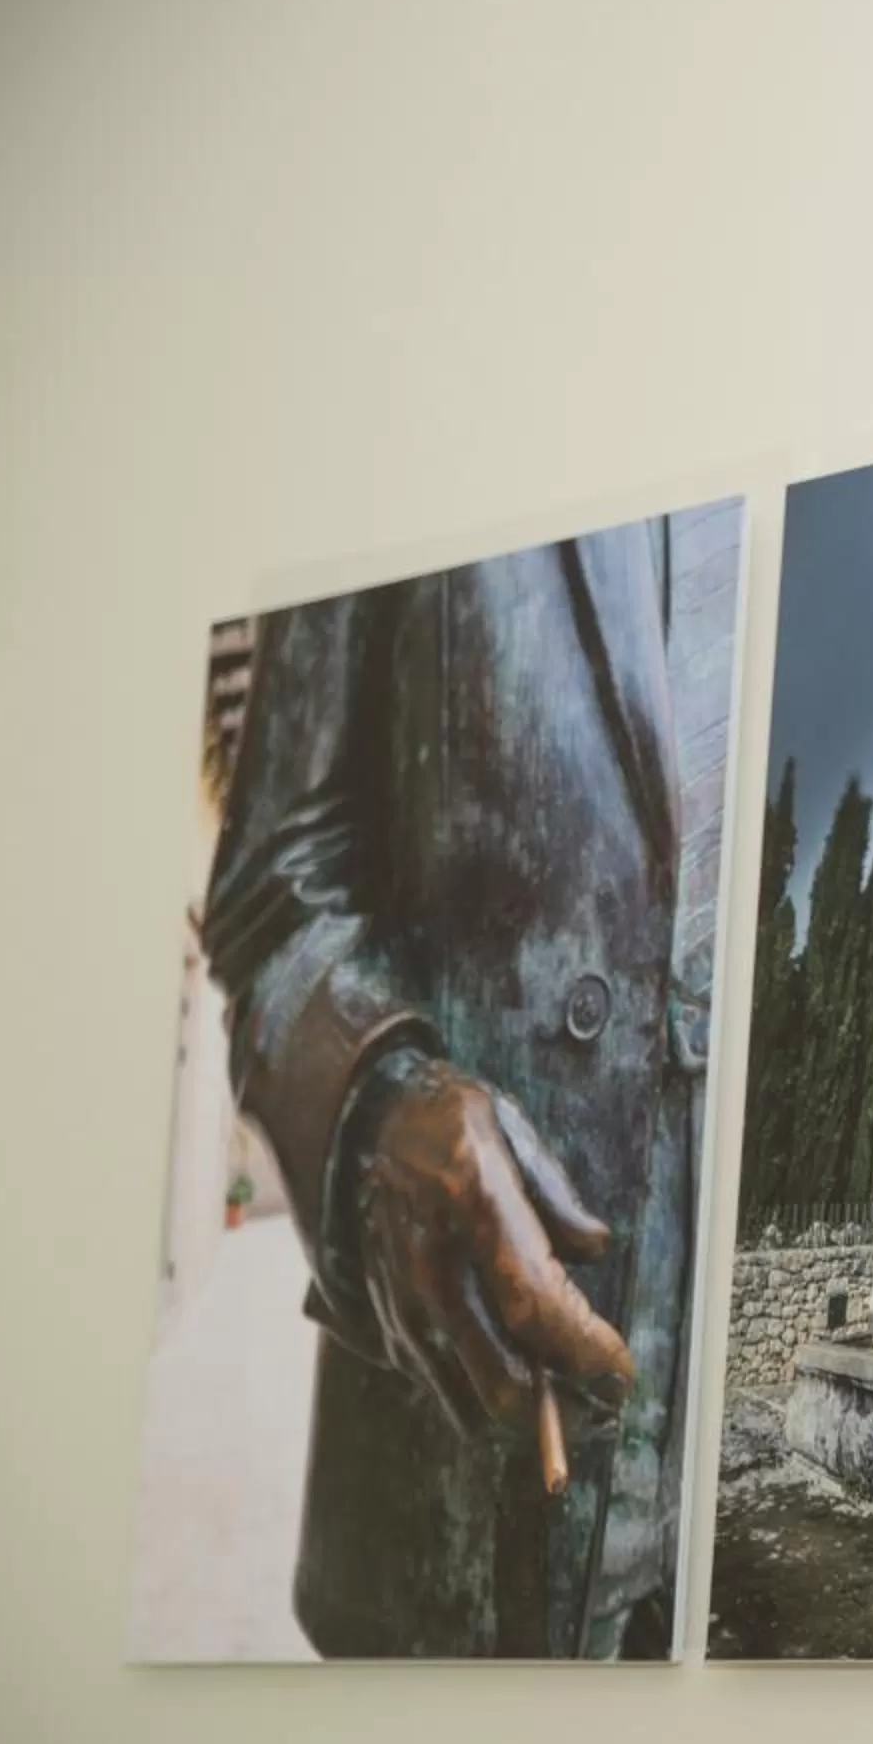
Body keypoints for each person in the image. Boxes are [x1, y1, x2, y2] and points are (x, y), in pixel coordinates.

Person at [204, 510, 732, 1659]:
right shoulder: (415, 421)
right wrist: (382, 1100)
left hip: (705, 1543)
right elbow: (268, 892)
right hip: (452, 1498)